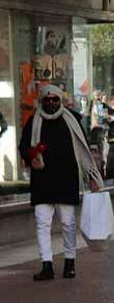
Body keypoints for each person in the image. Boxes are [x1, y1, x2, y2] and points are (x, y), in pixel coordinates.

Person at [19, 85, 103, 281]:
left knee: (68, 223)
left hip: (66, 178)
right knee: (42, 223)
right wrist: (31, 154)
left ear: (60, 100)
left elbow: (83, 149)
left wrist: (92, 177)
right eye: (46, 100)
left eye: (54, 99)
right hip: (42, 180)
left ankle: (69, 262)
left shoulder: (72, 119)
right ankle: (46, 265)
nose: (51, 103)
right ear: (41, 101)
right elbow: (24, 146)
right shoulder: (34, 120)